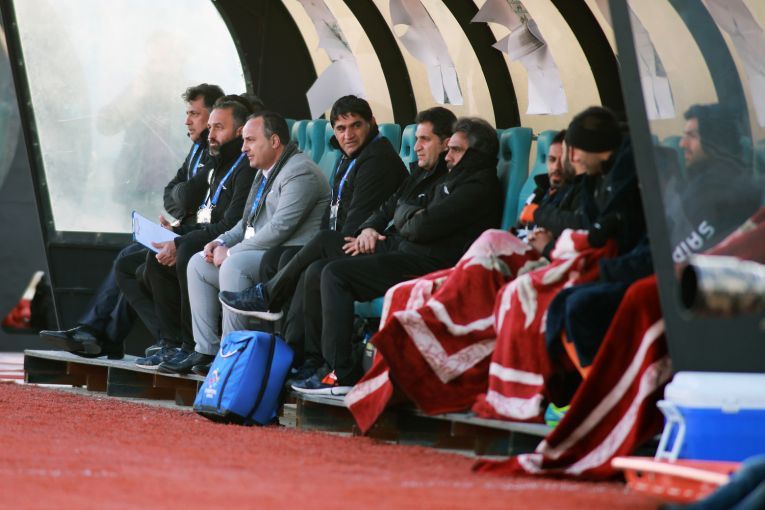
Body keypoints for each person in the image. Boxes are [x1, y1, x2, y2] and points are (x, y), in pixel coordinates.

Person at [287, 116, 502, 395]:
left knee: (335, 274)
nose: (448, 156)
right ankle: (316, 362)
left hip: (433, 266)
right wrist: (402, 218)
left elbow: (422, 225)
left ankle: (342, 373)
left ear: (476, 154)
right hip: (408, 252)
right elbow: (411, 215)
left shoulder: (478, 186)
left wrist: (404, 215)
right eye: (449, 149)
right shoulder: (453, 178)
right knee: (319, 269)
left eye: (456, 150)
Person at [218, 96, 409, 367]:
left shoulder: (377, 159)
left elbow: (354, 224)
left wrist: (324, 244)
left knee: (315, 266)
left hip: (368, 246)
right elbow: (332, 213)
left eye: (356, 126)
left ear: (372, 123)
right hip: (345, 238)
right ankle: (283, 347)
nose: (348, 135)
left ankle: (303, 353)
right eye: (341, 129)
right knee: (277, 257)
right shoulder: (350, 155)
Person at [38, 83, 225, 359]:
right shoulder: (197, 148)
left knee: (131, 264)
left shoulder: (217, 152)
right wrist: (182, 202)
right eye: (187, 113)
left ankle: (148, 339)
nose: (187, 120)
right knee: (129, 256)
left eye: (194, 114)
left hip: (199, 237)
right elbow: (171, 194)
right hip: (183, 230)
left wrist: (183, 203)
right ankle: (99, 333)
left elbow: (187, 198)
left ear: (213, 117)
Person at [162, 110, 331, 375]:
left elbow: (279, 228)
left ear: (274, 141)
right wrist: (219, 241)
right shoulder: (265, 171)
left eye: (250, 140)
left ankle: (233, 357)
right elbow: (246, 222)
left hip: (286, 257)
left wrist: (231, 253)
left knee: (234, 266)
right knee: (198, 263)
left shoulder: (300, 171)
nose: (243, 148)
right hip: (260, 253)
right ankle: (206, 351)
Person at [121, 96, 257, 368]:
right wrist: (177, 230)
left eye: (219, 127)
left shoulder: (245, 166)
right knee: (153, 258)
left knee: (184, 252)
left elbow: (230, 224)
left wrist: (181, 239)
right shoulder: (216, 162)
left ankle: (190, 345)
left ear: (240, 131)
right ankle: (170, 344)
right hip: (205, 236)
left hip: (230, 244)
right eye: (211, 127)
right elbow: (187, 201)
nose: (211, 134)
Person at [670, 103, 760, 262]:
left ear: (714, 140)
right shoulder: (702, 182)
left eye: (692, 136)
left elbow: (680, 257)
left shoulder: (722, 191)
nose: (682, 143)